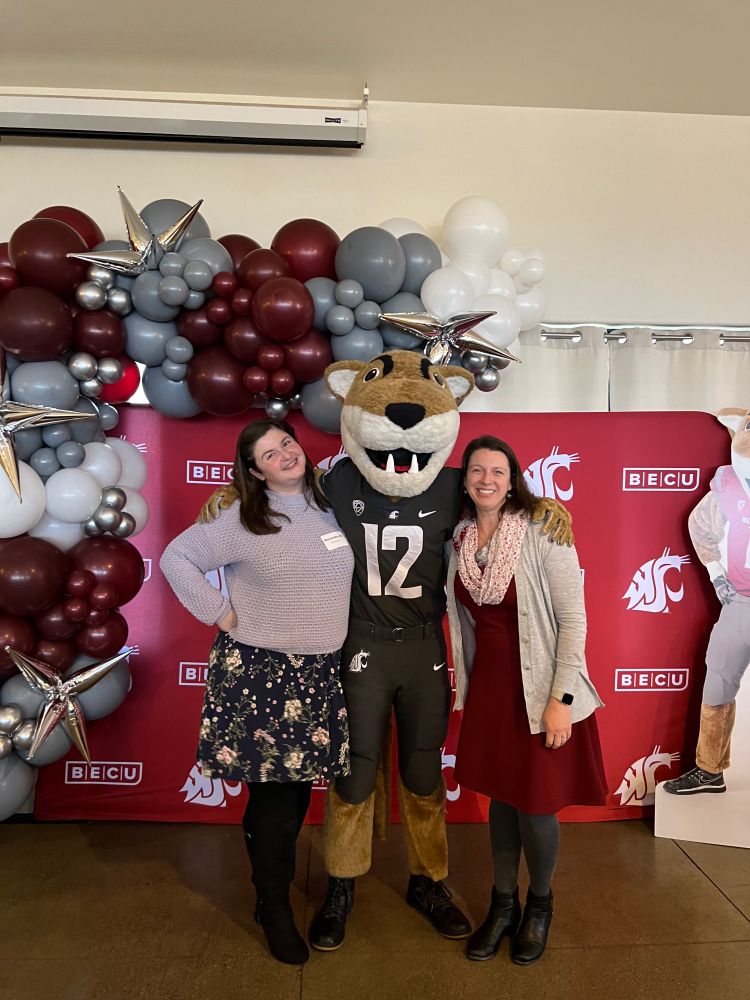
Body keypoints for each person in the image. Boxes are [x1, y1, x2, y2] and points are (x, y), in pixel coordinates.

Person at [160, 418, 354, 966]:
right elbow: (177, 558)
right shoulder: (244, 517)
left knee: (290, 797)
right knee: (274, 801)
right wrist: (218, 611)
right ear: (254, 471)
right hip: (261, 674)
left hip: (318, 672)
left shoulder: (329, 505)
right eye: (269, 454)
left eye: (286, 443)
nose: (285, 454)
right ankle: (272, 908)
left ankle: (266, 889)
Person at [446, 435, 607, 966]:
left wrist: (561, 698)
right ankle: (503, 904)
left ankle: (540, 904)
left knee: (536, 808)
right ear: (465, 479)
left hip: (539, 689)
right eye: (476, 471)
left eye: (498, 471)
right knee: (500, 801)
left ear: (512, 478)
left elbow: (574, 622)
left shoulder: (543, 530)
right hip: (489, 688)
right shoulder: (460, 538)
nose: (486, 479)